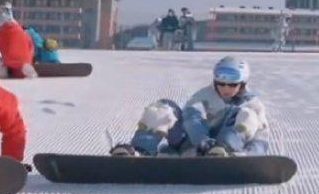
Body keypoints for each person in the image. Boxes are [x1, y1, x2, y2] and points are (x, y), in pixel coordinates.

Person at [113, 56, 270, 157]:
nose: (225, 88)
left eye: (232, 85)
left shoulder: (252, 104)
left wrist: (251, 156)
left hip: (228, 150)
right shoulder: (204, 96)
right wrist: (204, 143)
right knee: (164, 106)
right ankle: (140, 151)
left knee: (245, 114)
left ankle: (223, 151)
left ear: (242, 84)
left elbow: (260, 138)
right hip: (192, 144)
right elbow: (191, 118)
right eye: (221, 83)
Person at [0, 6, 38, 79]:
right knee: (23, 67)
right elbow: (30, 45)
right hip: (23, 59)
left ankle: (3, 74)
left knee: (2, 70)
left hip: (5, 60)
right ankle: (29, 72)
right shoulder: (22, 32)